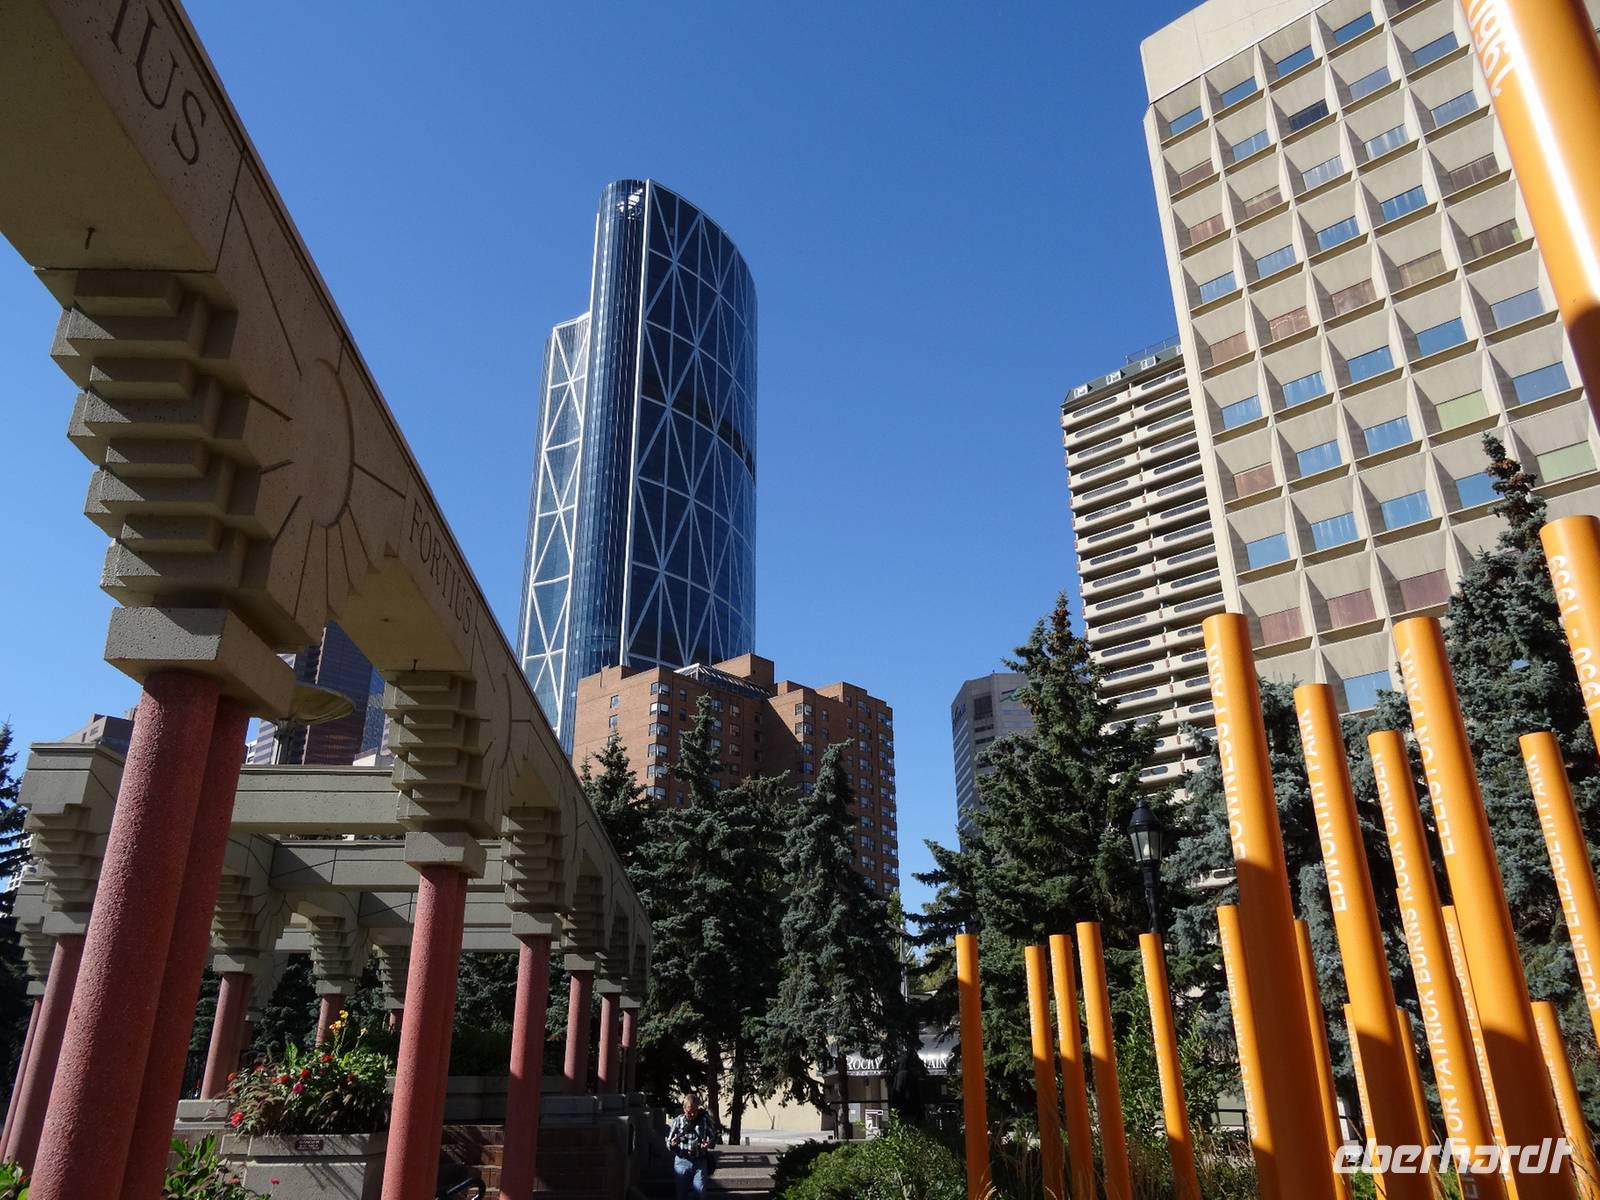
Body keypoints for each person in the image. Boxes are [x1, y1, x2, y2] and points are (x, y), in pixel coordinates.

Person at [666, 1092, 714, 1197]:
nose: (692, 1115)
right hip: (682, 1161)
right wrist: (672, 1144)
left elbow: (713, 1138)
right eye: (689, 1112)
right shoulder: (678, 1121)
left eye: (694, 1112)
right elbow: (669, 1142)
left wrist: (708, 1144)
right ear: (684, 1109)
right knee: (681, 1194)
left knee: (700, 1192)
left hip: (699, 1161)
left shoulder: (704, 1120)